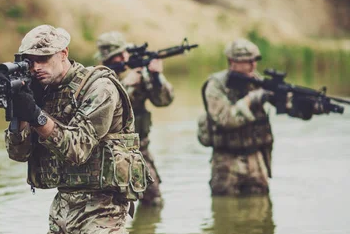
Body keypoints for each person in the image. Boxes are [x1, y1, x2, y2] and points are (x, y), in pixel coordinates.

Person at [4, 24, 151, 234]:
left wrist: (35, 114)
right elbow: (18, 154)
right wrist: (19, 115)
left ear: (63, 54)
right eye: (29, 61)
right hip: (64, 203)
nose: (35, 67)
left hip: (103, 203)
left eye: (43, 59)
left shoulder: (99, 87)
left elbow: (78, 148)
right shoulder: (40, 91)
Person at [197, 38, 323, 196]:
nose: (253, 65)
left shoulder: (258, 82)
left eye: (255, 60)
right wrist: (251, 100)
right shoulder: (216, 86)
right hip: (226, 162)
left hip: (256, 159)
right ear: (232, 61)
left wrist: (309, 107)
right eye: (247, 61)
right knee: (225, 210)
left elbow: (287, 106)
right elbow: (225, 119)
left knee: (262, 210)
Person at [95, 31, 174, 206]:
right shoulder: (99, 78)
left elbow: (164, 101)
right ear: (107, 58)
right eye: (118, 55)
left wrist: (156, 76)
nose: (124, 57)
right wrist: (125, 85)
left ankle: (146, 232)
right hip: (109, 152)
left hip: (140, 149)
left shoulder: (140, 73)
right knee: (110, 204)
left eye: (125, 52)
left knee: (154, 200)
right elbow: (101, 110)